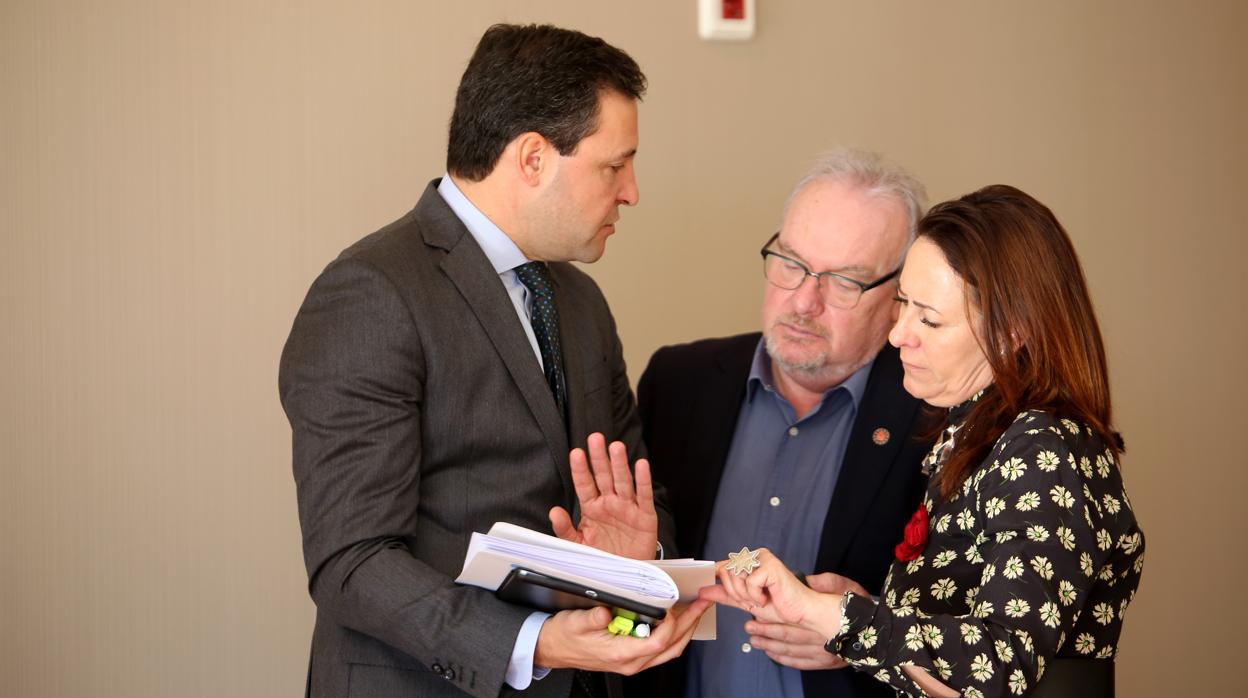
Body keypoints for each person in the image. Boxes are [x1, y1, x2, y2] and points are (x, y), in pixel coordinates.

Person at [279, 24, 708, 698]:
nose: (631, 191)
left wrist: (642, 566)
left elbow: (634, 493)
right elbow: (351, 561)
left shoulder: (581, 301)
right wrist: (530, 643)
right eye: (613, 164)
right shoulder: (371, 293)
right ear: (533, 157)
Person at [702, 184, 1144, 698]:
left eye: (929, 319)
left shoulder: (1046, 447)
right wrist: (864, 610)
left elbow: (1000, 665)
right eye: (903, 305)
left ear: (1012, 332)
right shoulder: (979, 433)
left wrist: (828, 615)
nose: (898, 335)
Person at [630, 148, 932, 698]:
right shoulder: (677, 383)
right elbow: (635, 576)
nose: (803, 300)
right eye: (791, 263)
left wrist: (863, 634)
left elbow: (975, 627)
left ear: (898, 300)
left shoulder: (936, 419)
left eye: (844, 281)